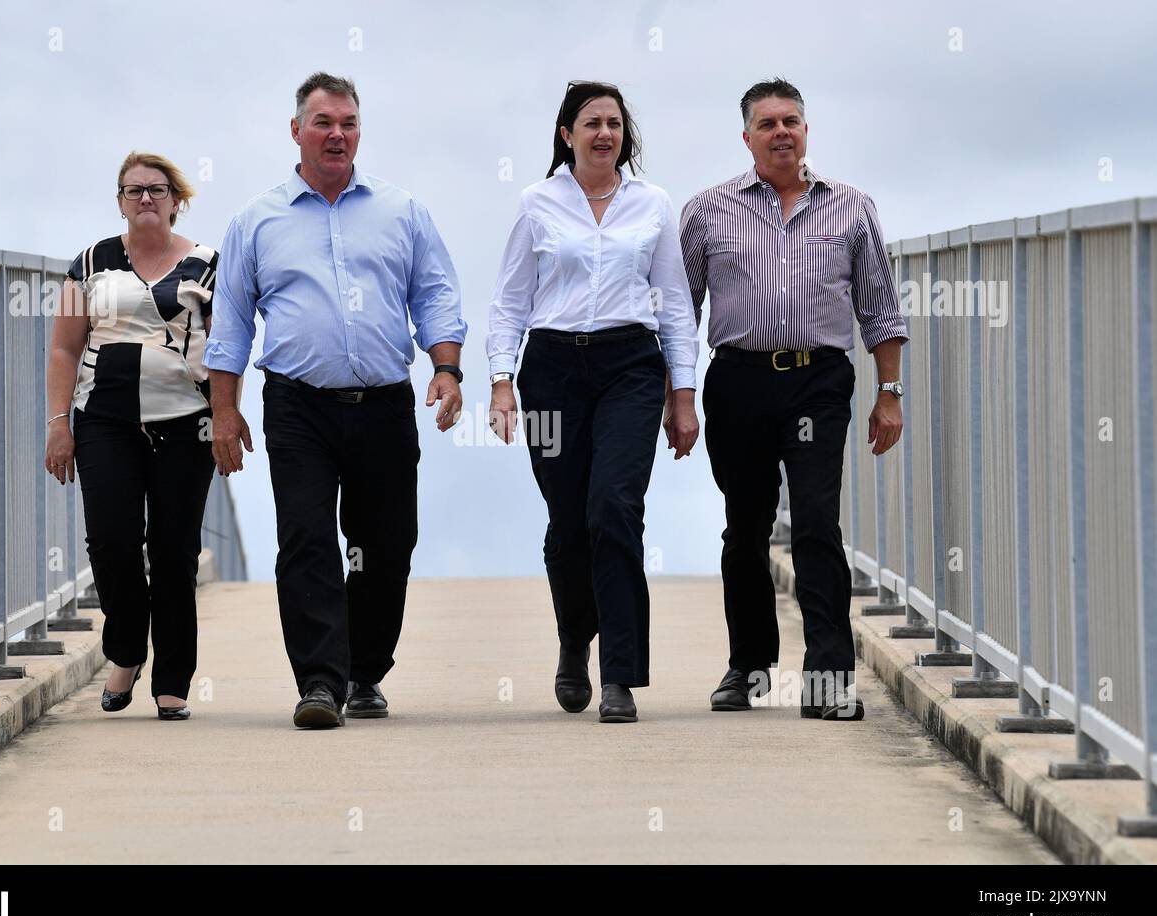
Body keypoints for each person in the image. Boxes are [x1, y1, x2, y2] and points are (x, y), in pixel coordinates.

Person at [205, 72, 467, 730]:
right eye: (323, 122)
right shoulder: (258, 220)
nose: (337, 134)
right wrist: (224, 410)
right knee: (306, 538)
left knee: (387, 545)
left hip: (381, 404)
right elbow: (232, 321)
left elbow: (434, 293)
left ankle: (365, 671)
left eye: (348, 123)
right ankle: (320, 681)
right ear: (296, 131)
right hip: (297, 407)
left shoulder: (400, 211)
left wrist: (446, 368)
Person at [679, 78, 907, 721]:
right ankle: (748, 668)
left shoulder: (851, 208)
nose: (782, 132)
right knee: (745, 525)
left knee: (815, 521)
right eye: (769, 123)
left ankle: (829, 681)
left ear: (806, 131)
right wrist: (680, 395)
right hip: (739, 381)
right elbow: (678, 311)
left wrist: (888, 394)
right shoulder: (707, 211)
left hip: (818, 381)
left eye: (792, 121)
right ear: (746, 136)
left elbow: (881, 311)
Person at [486, 81, 699, 724]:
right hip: (550, 371)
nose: (604, 133)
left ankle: (620, 676)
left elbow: (675, 302)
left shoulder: (653, 204)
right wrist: (502, 381)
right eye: (591, 123)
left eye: (613, 123)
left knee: (614, 507)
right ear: (567, 134)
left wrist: (682, 394)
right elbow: (510, 301)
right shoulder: (537, 203)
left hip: (630, 367)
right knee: (568, 521)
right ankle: (575, 639)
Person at [44, 151, 218, 721]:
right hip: (104, 423)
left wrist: (227, 419)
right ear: (119, 201)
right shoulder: (90, 263)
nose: (146, 198)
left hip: (185, 424)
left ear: (177, 200)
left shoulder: (208, 265)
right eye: (134, 190)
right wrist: (58, 424)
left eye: (158, 189)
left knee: (174, 552)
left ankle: (172, 681)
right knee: (112, 542)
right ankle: (125, 648)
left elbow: (227, 352)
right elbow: (66, 347)